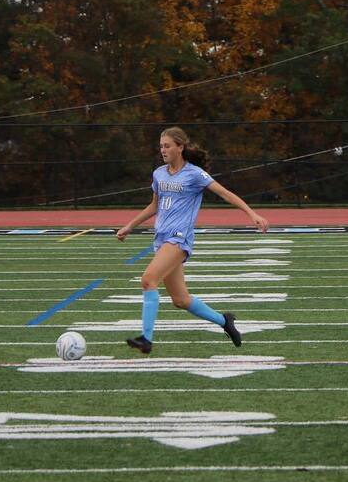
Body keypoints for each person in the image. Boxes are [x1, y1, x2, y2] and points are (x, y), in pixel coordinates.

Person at [116, 127, 270, 354]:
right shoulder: (159, 173)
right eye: (161, 146)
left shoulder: (194, 174)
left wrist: (252, 214)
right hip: (161, 239)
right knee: (181, 300)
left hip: (179, 239)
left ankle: (146, 339)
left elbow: (225, 194)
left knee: (148, 279)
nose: (163, 150)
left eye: (167, 146)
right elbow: (155, 205)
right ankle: (224, 321)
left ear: (180, 147)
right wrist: (130, 225)